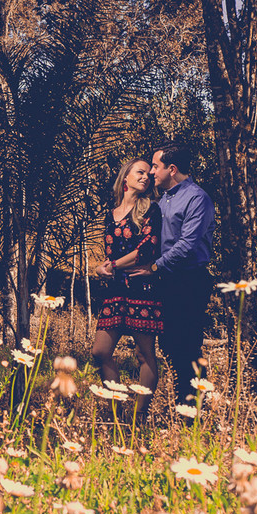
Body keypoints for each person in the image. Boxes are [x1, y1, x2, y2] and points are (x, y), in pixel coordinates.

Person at [129, 143, 215, 402]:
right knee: (169, 345)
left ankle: (194, 410)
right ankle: (184, 404)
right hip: (164, 282)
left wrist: (154, 267)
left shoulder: (196, 198)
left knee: (186, 346)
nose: (151, 172)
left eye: (155, 166)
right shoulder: (160, 201)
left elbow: (187, 245)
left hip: (189, 282)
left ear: (172, 169)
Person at [91, 158, 164, 420]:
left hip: (142, 290)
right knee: (100, 352)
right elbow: (111, 251)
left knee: (144, 356)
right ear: (125, 178)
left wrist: (111, 266)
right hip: (114, 291)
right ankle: (116, 410)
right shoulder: (109, 215)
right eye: (140, 172)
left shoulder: (150, 210)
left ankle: (138, 417)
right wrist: (105, 267)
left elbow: (146, 249)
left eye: (148, 174)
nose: (146, 177)